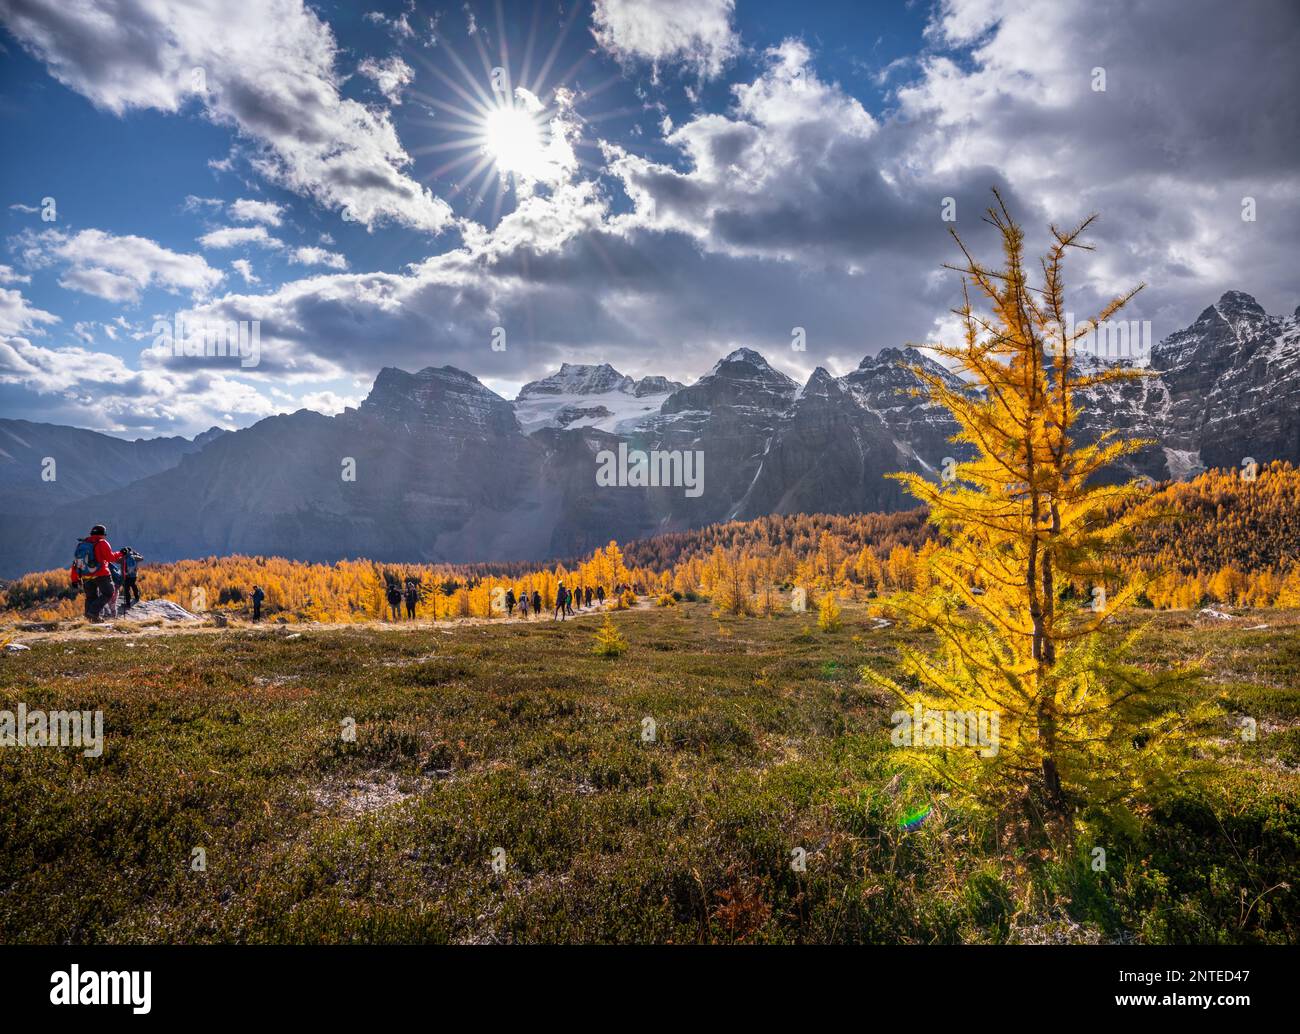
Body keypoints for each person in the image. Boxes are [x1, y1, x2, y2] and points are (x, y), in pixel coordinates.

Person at [70, 524, 124, 623]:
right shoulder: (102, 543)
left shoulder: (82, 544)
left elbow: (77, 562)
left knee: (91, 596)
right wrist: (121, 553)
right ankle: (93, 613)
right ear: (103, 534)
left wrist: (74, 578)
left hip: (86, 575)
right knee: (109, 592)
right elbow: (110, 558)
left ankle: (90, 618)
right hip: (101, 574)